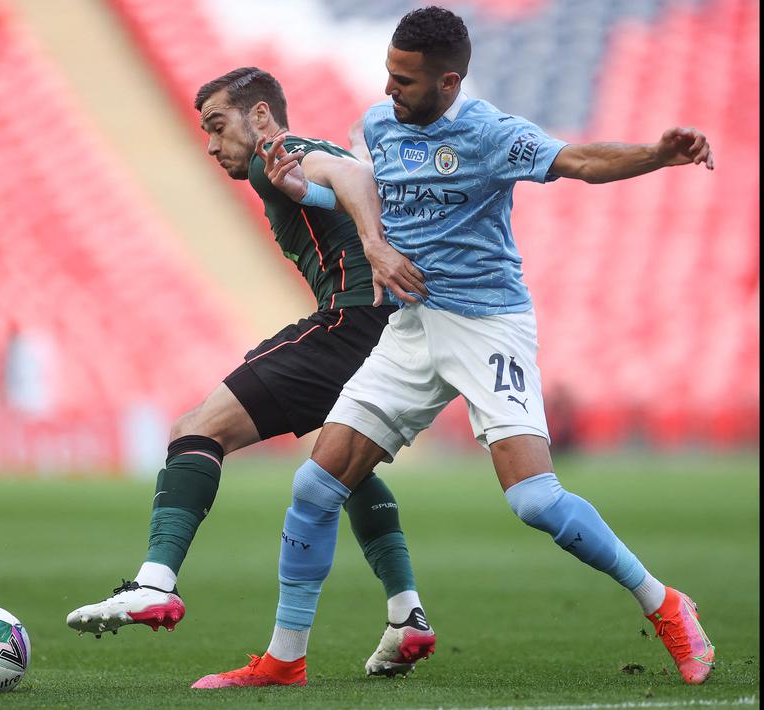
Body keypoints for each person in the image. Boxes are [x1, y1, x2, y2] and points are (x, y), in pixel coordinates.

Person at [192, 6, 716, 689]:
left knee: (533, 501)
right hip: (410, 328)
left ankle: (666, 603)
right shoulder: (377, 125)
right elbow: (361, 195)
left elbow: (580, 160)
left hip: (485, 323)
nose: (388, 90)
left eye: (405, 80)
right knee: (315, 485)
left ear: (448, 81)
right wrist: (301, 190)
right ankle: (285, 657)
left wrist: (656, 154)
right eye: (386, 73)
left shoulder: (488, 133)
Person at [66, 67, 438, 679]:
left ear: (260, 116)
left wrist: (372, 243)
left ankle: (156, 582)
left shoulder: (278, 156)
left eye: (218, 126)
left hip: (348, 326)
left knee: (196, 429)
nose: (212, 146)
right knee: (336, 468)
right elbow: (356, 173)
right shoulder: (312, 155)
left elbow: (349, 177)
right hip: (388, 334)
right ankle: (406, 615)